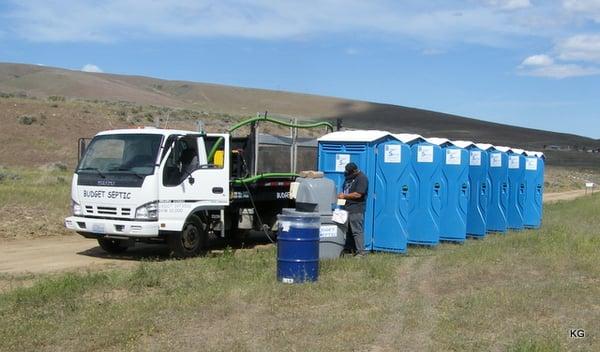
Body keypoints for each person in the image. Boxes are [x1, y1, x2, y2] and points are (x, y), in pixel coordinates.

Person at [338, 162, 368, 256]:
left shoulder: (362, 178)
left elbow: (358, 194)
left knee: (356, 231)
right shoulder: (348, 177)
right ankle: (349, 250)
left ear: (355, 170)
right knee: (348, 231)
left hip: (356, 208)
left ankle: (361, 252)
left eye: (350, 172)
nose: (347, 174)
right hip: (346, 208)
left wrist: (344, 196)